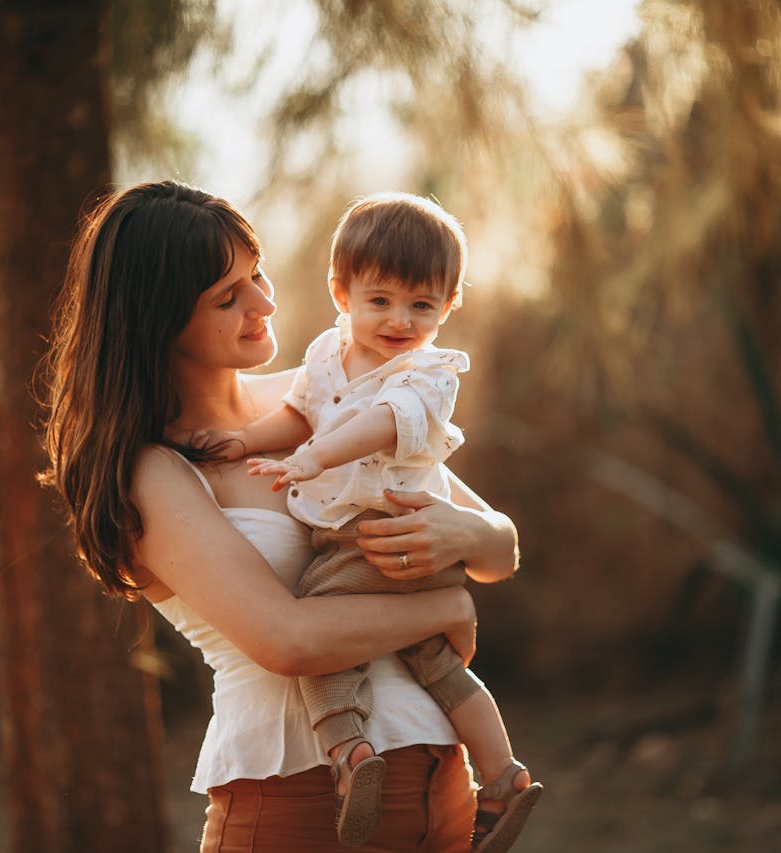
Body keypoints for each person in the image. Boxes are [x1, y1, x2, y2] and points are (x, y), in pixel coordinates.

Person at [40, 180, 527, 852]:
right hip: (298, 810)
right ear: (158, 319)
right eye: (228, 297)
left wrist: (466, 532)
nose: (264, 302)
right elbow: (289, 641)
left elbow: (500, 548)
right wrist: (448, 607)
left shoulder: (326, 396)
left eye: (257, 273)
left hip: (446, 797)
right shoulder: (152, 472)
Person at [216, 193, 541, 851]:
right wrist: (247, 441)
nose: (399, 320)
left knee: (323, 625)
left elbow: (385, 423)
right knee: (438, 664)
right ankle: (503, 774)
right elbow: (299, 414)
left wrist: (314, 456)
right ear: (341, 293)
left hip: (377, 534)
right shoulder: (325, 356)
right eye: (381, 300)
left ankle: (350, 751)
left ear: (449, 304)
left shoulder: (429, 372)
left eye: (421, 305)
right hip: (402, 551)